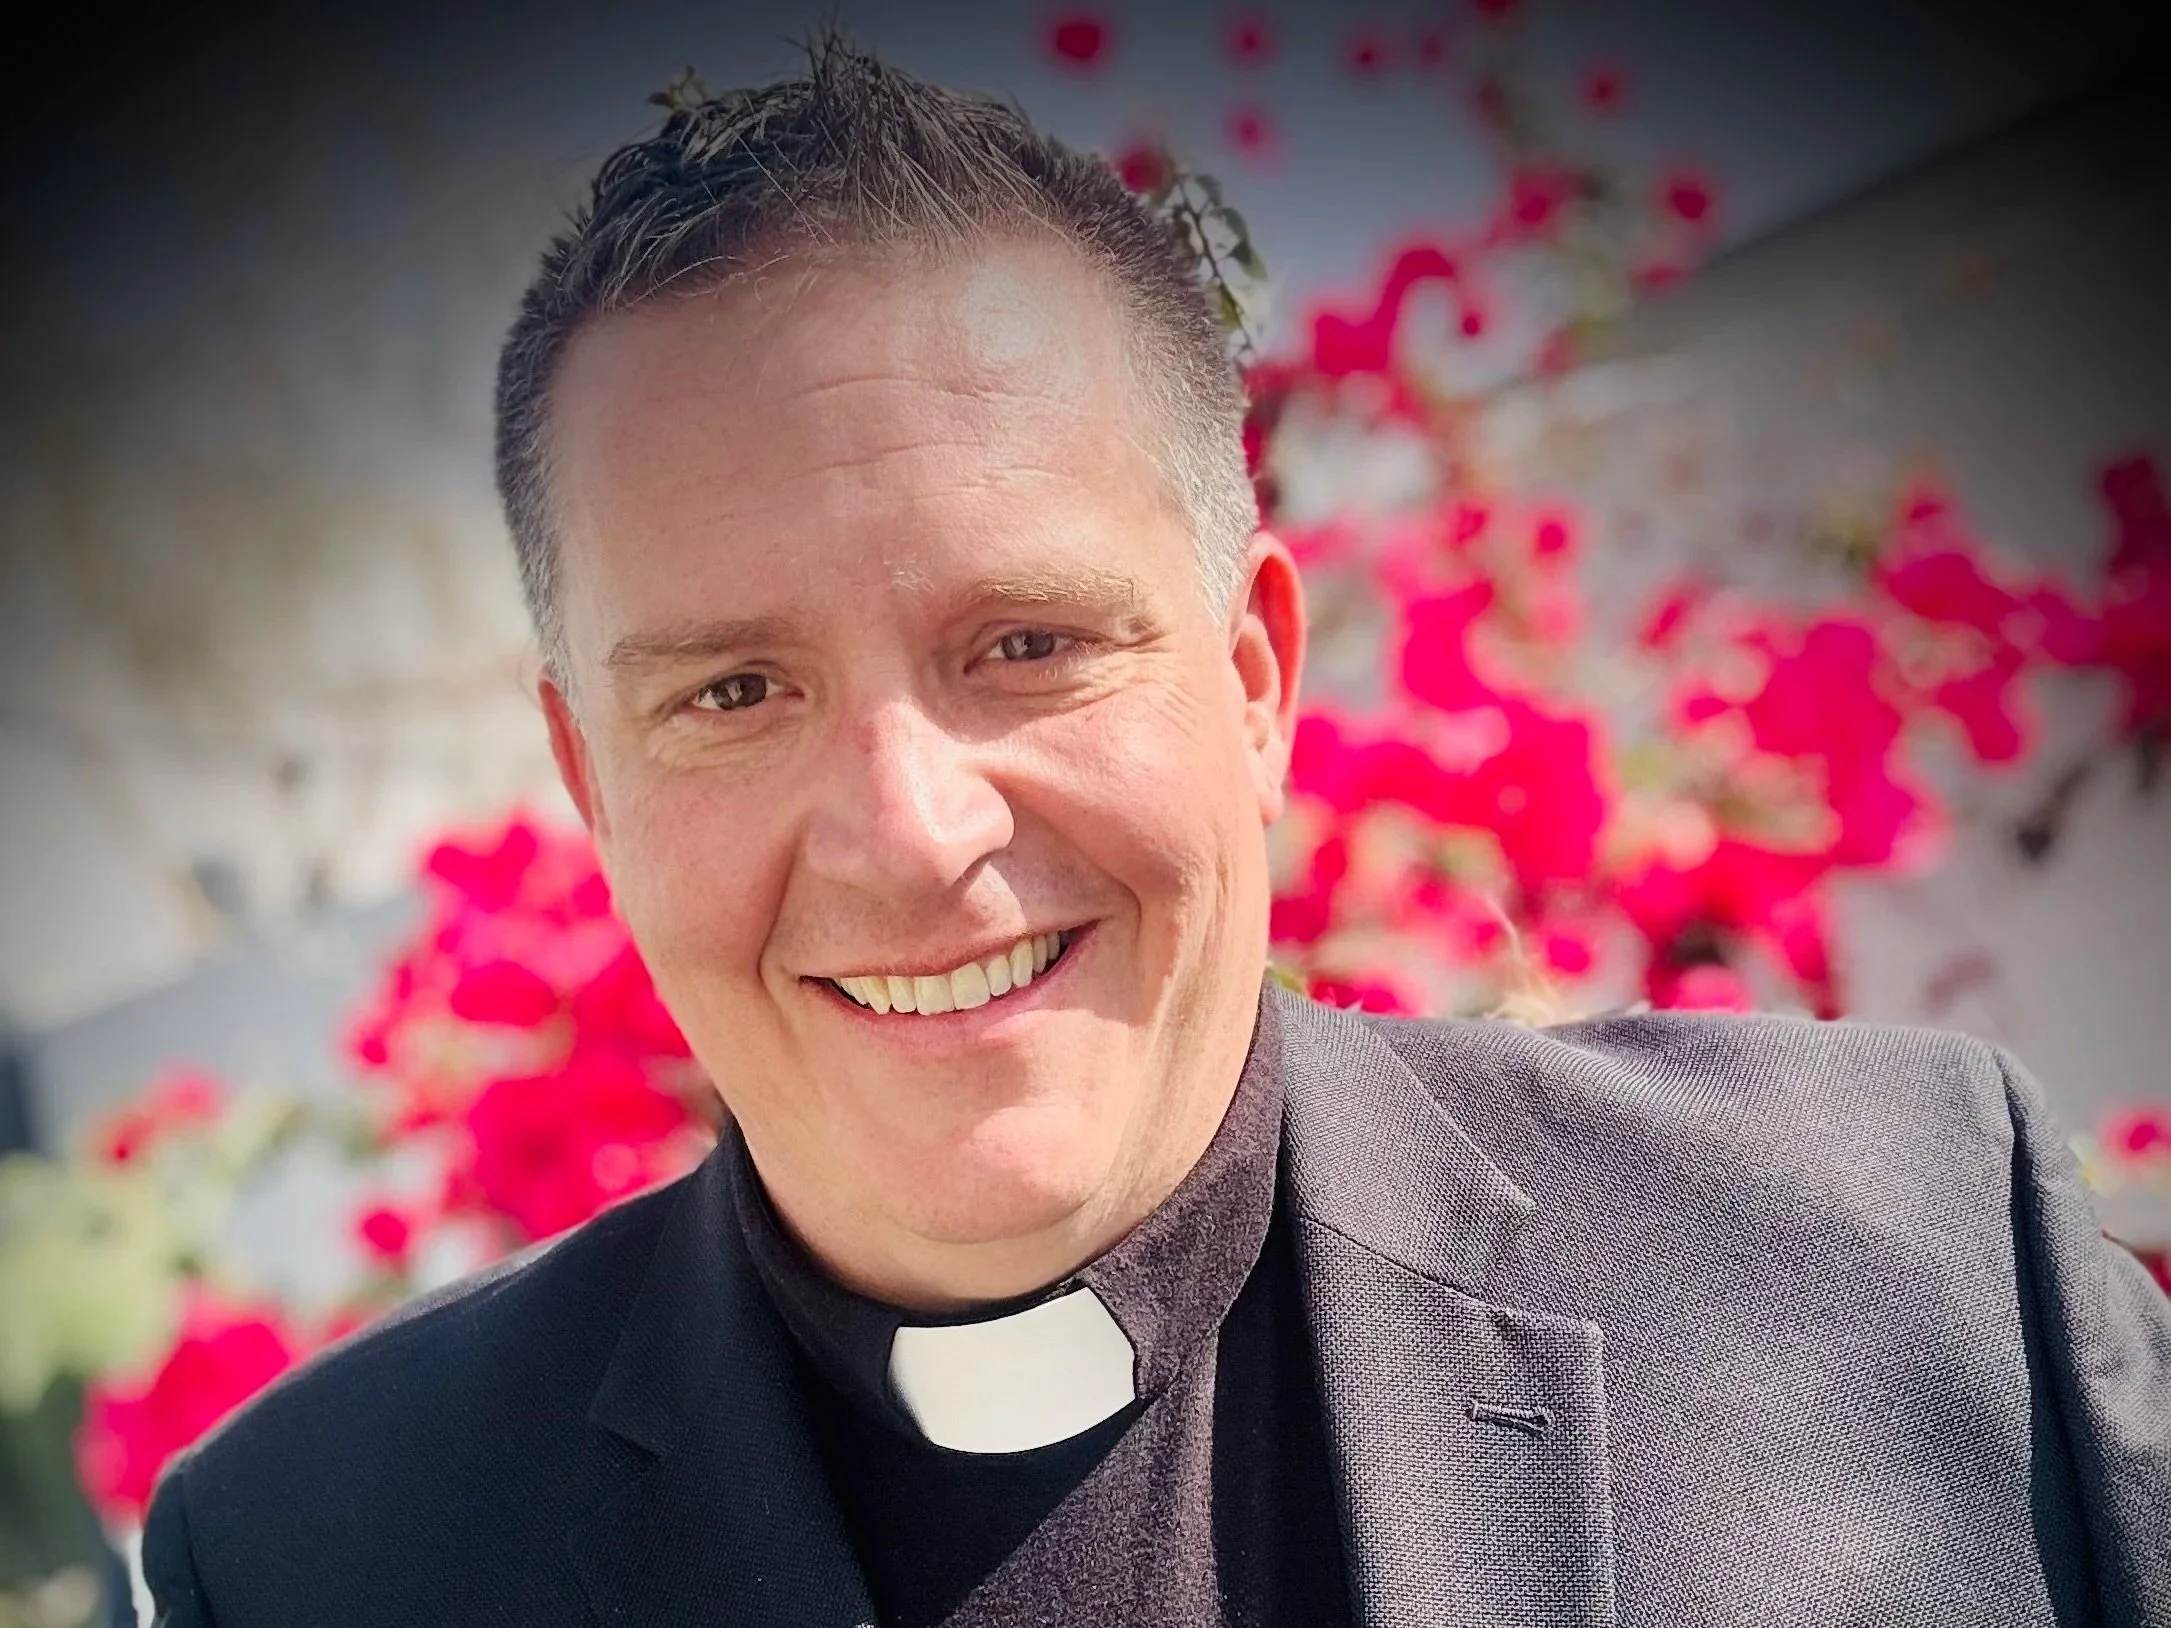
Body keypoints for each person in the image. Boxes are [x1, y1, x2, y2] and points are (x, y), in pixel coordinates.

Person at [142, 34, 2170, 1628]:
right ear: (591, 782)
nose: (907, 832)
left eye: (1021, 642)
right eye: (732, 692)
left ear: (1256, 672)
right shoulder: (320, 1559)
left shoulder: (1891, 1250)